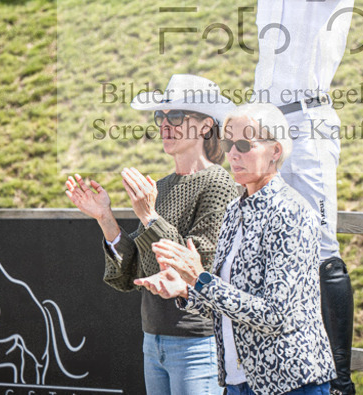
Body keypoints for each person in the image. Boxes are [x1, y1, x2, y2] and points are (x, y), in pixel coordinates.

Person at [221, 0, 357, 395]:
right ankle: (264, 370)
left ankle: (338, 377)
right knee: (261, 237)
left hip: (309, 120)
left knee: (322, 245)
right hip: (266, 122)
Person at [137, 103, 336, 395]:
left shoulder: (290, 212)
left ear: (275, 151)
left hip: (290, 382)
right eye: (230, 143)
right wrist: (186, 291)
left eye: (244, 144)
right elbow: (230, 303)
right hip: (239, 381)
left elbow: (274, 315)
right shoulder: (234, 210)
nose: (233, 153)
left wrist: (201, 279)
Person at [64, 74, 238, 395]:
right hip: (153, 339)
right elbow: (133, 272)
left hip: (198, 343)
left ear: (203, 126)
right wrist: (105, 218)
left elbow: (196, 268)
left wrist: (149, 215)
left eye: (175, 116)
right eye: (161, 116)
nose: (164, 124)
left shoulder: (219, 184)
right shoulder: (161, 186)